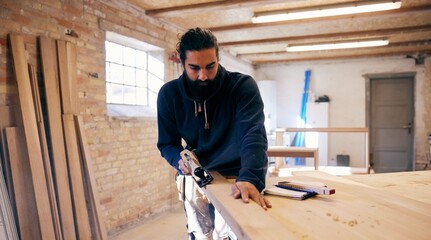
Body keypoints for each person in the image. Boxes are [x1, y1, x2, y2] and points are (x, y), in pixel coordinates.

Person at [157, 27, 271, 240]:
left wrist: (250, 177)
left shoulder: (242, 87)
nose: (203, 75)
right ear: (182, 63)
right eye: (194, 68)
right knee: (201, 235)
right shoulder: (169, 95)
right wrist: (178, 161)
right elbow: (167, 143)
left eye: (210, 66)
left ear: (218, 58)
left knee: (237, 234)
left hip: (237, 175)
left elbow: (253, 134)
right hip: (198, 177)